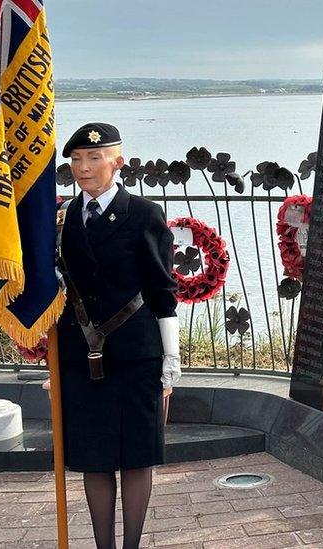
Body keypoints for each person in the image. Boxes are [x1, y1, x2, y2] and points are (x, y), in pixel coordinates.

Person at [56, 122, 181, 549]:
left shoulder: (144, 214)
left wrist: (171, 361)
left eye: (93, 158)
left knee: (135, 456)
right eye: (75, 160)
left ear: (117, 162)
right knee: (94, 457)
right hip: (82, 357)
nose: (83, 168)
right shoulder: (65, 218)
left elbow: (163, 291)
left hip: (135, 354)